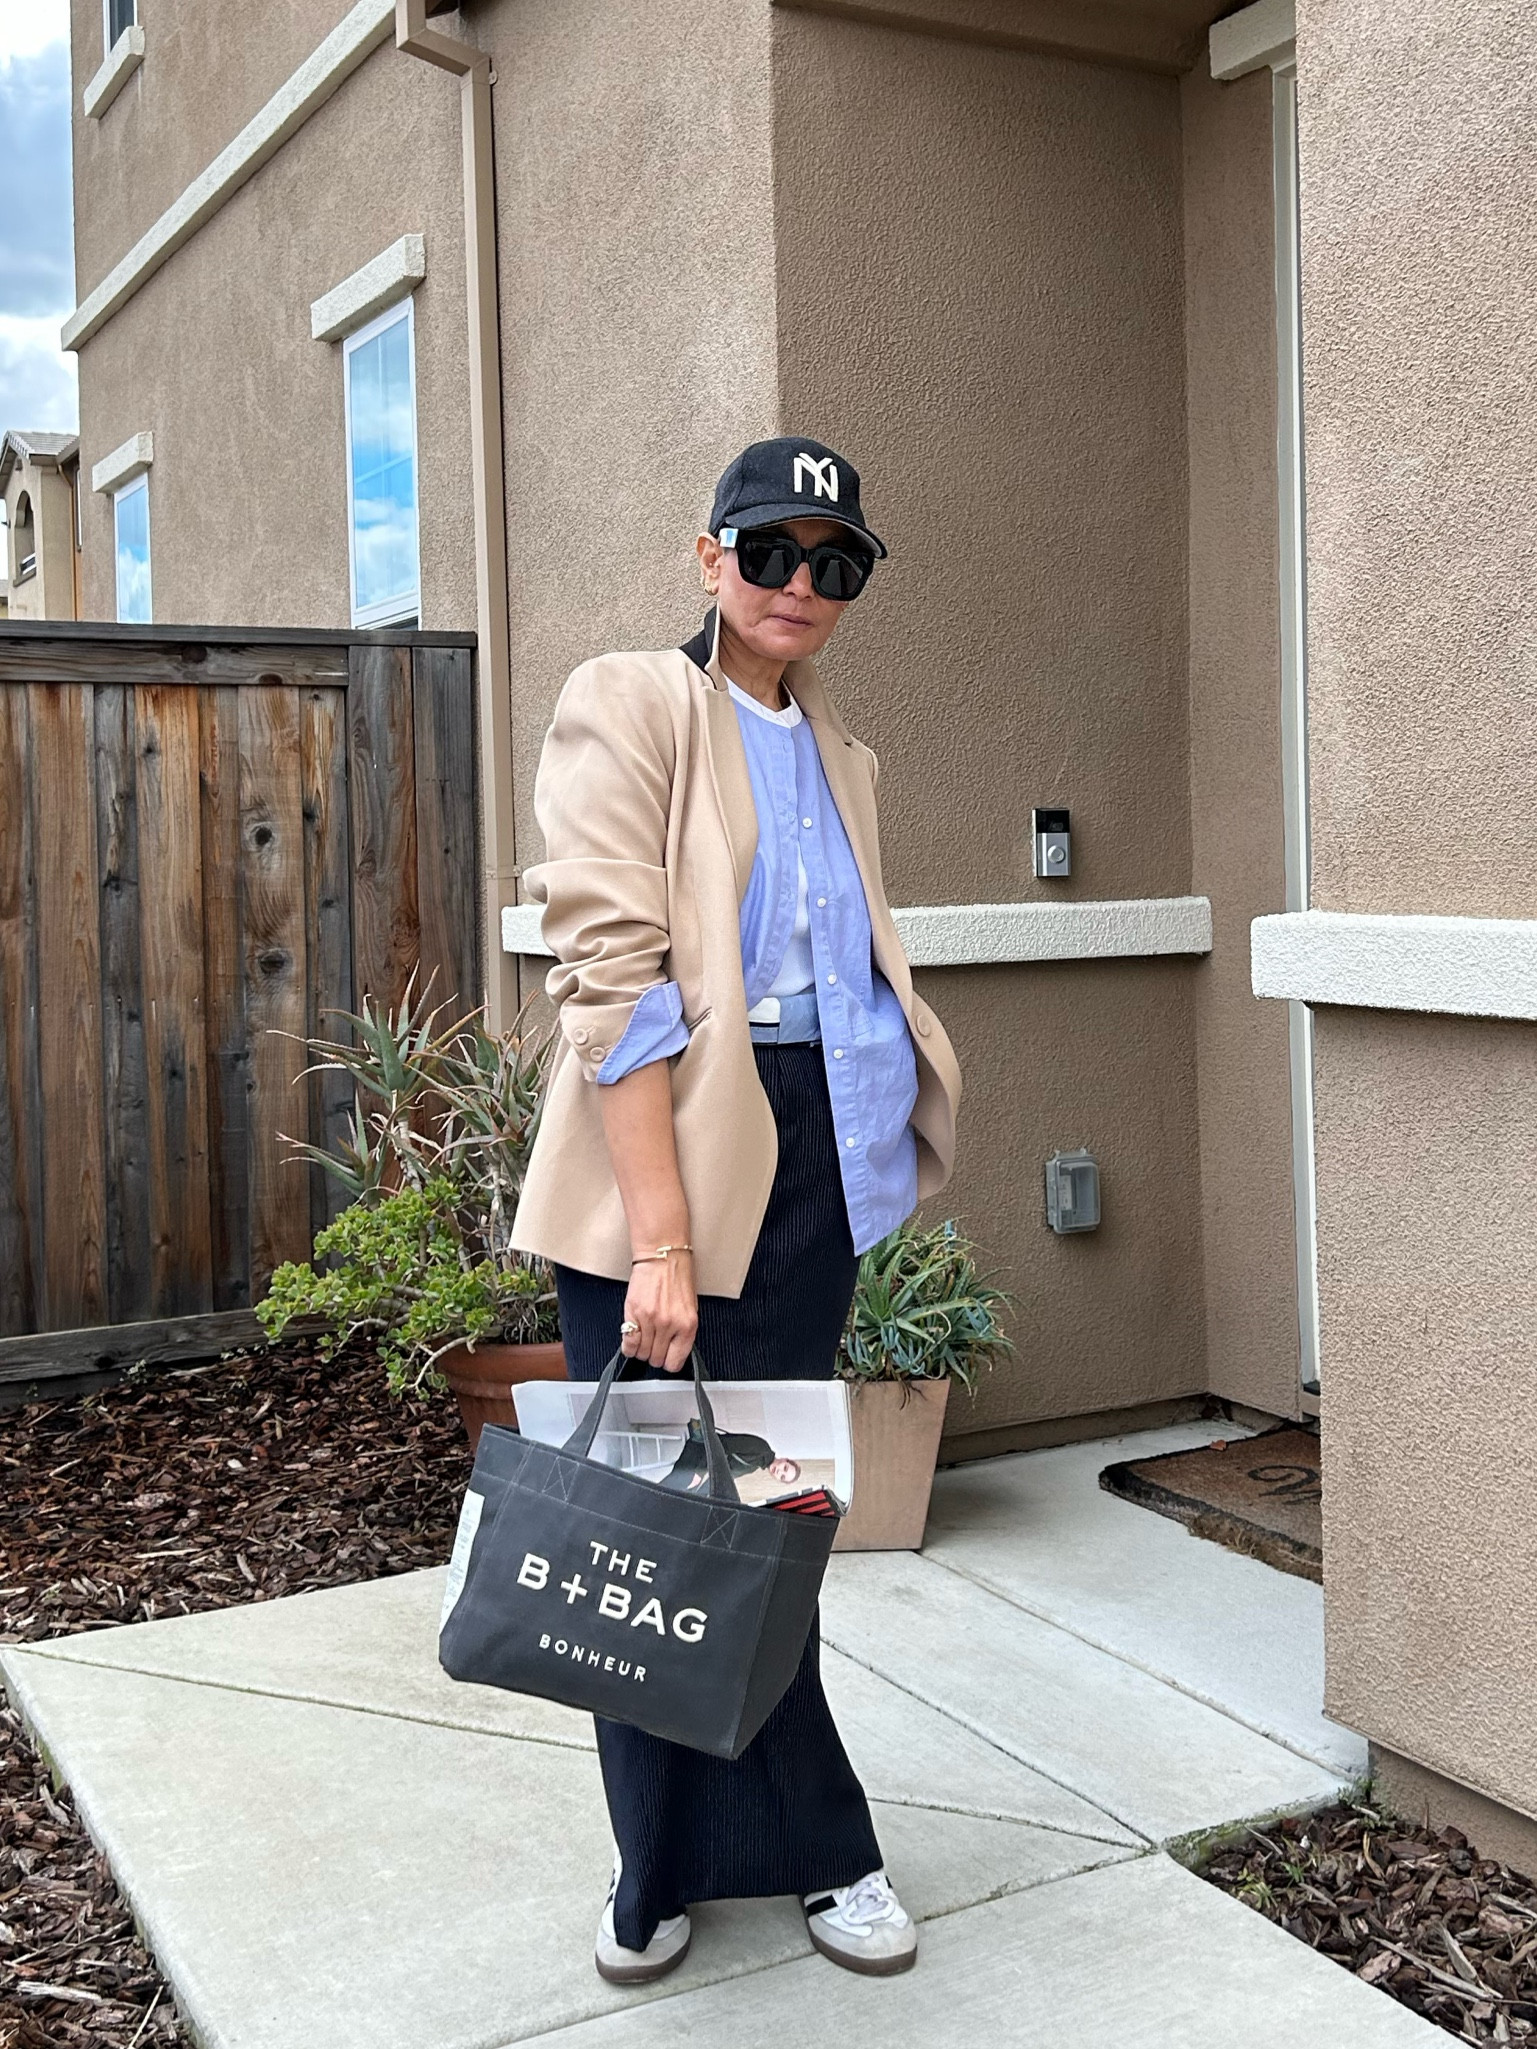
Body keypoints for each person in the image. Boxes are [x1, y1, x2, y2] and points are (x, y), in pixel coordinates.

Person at [511, 434, 961, 1986]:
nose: (797, 584)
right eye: (766, 550)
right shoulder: (631, 700)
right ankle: (671, 1867)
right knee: (645, 1529)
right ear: (708, 558)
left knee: (773, 1530)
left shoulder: (848, 754)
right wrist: (659, 1238)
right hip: (673, 1165)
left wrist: (873, 1153)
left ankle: (793, 1854)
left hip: (809, 1172)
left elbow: (846, 983)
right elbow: (611, 982)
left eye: (832, 561)